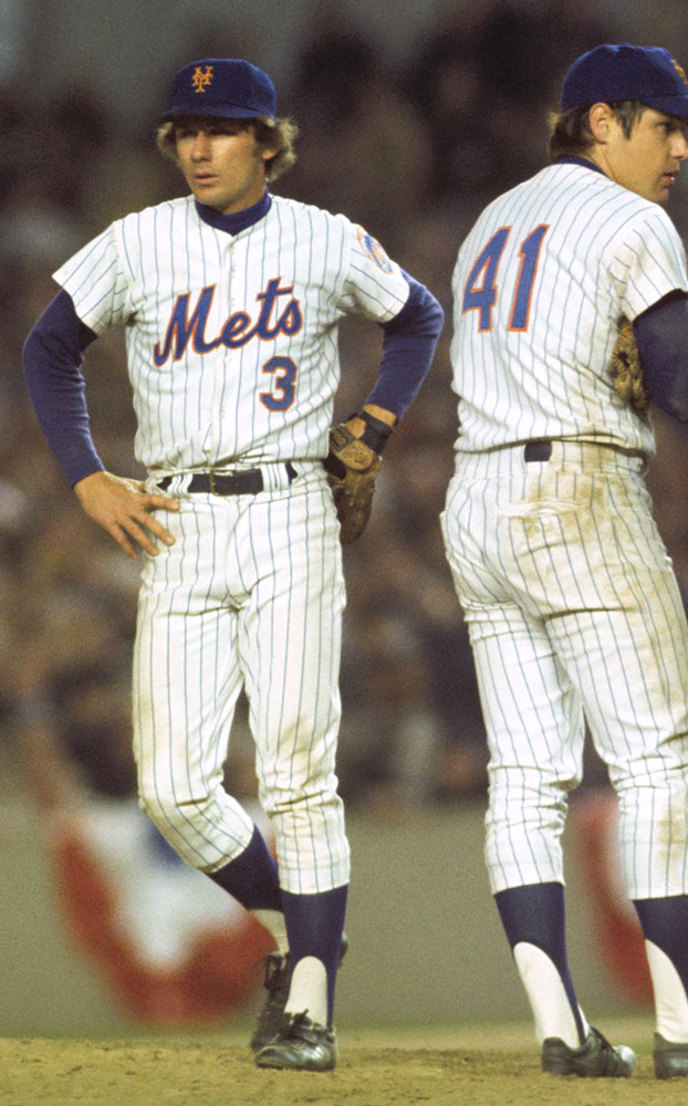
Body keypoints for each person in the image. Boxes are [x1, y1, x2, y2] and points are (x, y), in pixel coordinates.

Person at [22, 57, 444, 1071]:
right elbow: (48, 349)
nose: (198, 147)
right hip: (176, 516)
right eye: (185, 131)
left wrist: (377, 420)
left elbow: (418, 315)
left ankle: (308, 1001)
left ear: (267, 139)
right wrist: (85, 473)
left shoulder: (324, 236)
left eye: (219, 129)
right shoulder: (137, 240)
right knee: (171, 786)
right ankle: (307, 932)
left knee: (298, 765)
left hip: (293, 506)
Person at [440, 43, 688, 1080]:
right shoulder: (631, 219)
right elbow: (687, 388)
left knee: (525, 774)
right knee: (656, 760)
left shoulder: (491, 220)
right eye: (666, 125)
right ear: (601, 121)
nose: (684, 148)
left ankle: (561, 1027)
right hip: (579, 488)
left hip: (477, 491)